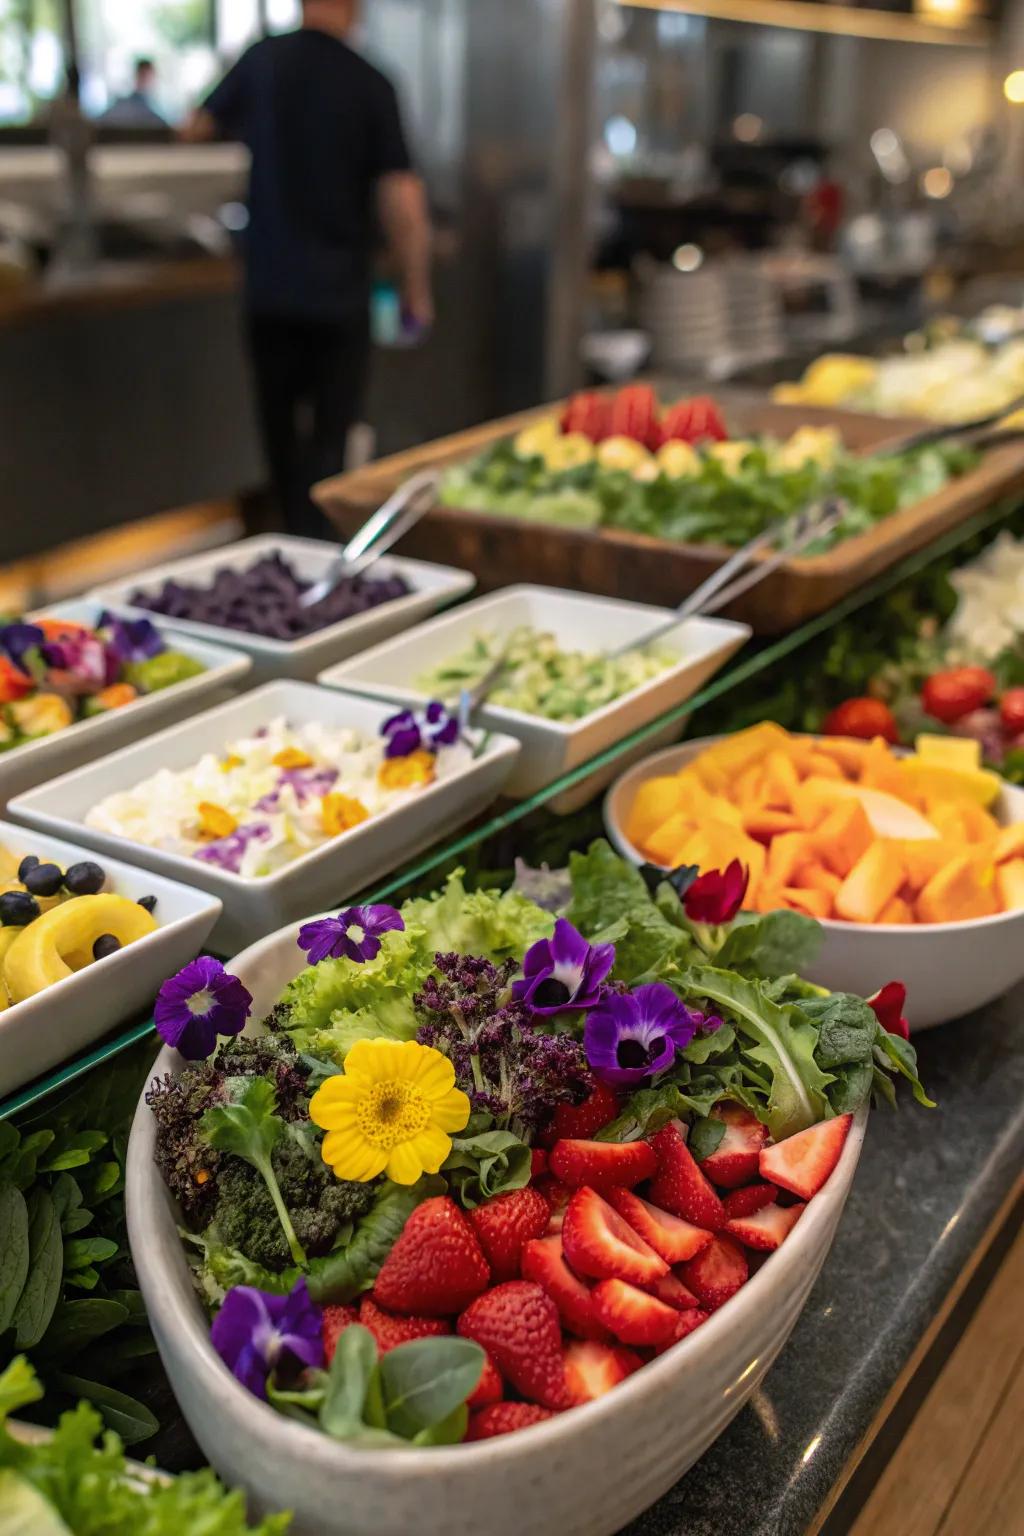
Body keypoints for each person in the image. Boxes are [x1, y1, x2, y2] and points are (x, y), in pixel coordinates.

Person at [182, 0, 433, 539]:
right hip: (339, 294)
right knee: (329, 442)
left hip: (269, 289)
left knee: (278, 440)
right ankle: (314, 553)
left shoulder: (262, 62)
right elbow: (401, 194)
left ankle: (287, 548)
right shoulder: (369, 82)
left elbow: (195, 126)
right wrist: (416, 286)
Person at [101, 59, 166, 128]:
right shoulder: (122, 105)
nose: (146, 80)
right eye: (143, 75)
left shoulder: (157, 107)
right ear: (136, 76)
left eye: (148, 77)